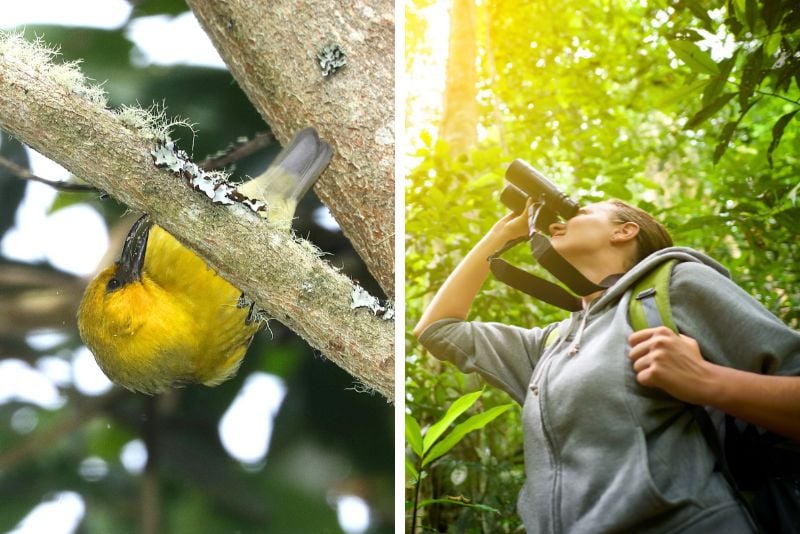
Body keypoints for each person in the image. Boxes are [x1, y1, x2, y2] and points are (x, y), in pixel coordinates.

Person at [413, 199, 800, 533]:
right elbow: (437, 328)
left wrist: (707, 381)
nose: (560, 221)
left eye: (580, 211)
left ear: (625, 231)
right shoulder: (551, 344)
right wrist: (502, 235)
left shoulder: (677, 285)